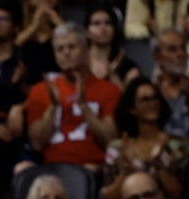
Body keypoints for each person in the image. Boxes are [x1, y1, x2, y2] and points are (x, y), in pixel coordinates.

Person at [22, 21, 121, 171]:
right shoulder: (41, 90)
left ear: (87, 49)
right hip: (53, 171)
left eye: (72, 47)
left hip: (94, 170)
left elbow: (111, 140)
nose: (66, 53)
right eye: (60, 49)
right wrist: (54, 107)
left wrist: (83, 106)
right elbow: (37, 143)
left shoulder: (109, 90)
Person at [102, 77, 189, 199]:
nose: (152, 103)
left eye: (155, 98)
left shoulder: (175, 145)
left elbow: (176, 194)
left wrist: (158, 161)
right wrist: (126, 170)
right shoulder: (117, 147)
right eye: (145, 100)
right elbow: (110, 198)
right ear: (132, 109)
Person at [85, 4, 141, 91]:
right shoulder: (77, 63)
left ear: (115, 29)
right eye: (96, 23)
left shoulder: (128, 68)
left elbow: (131, 101)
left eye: (108, 23)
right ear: (86, 30)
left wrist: (113, 76)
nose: (103, 28)